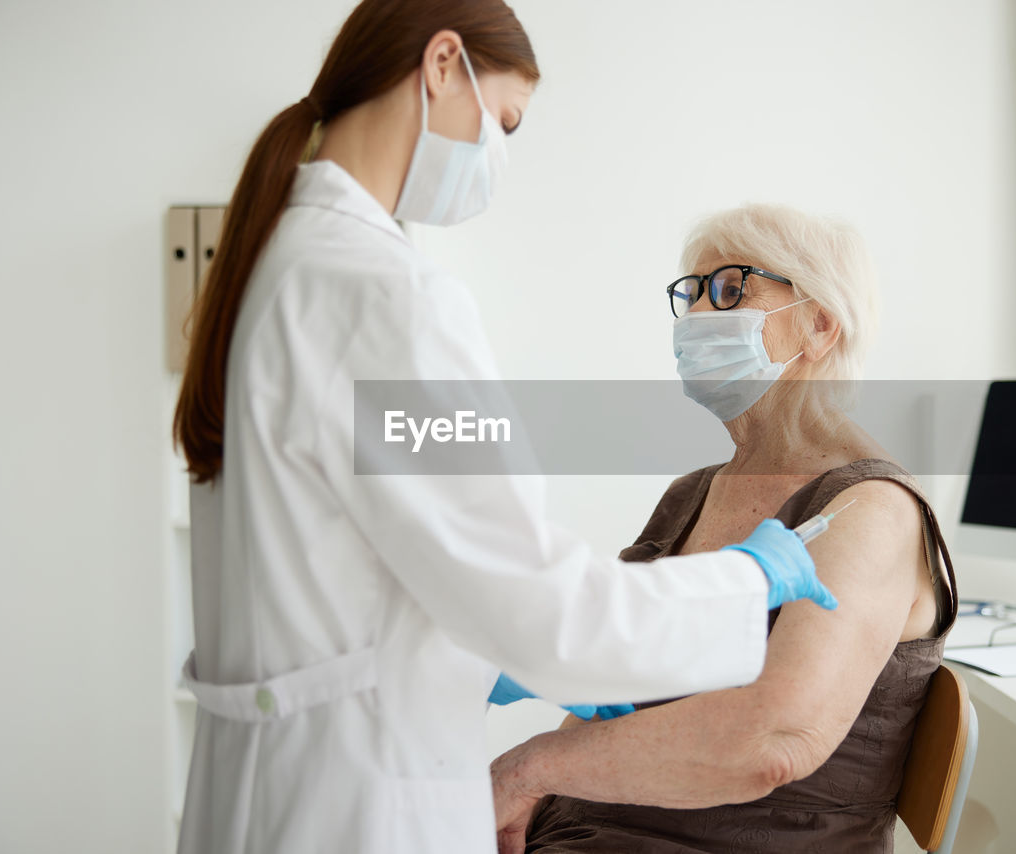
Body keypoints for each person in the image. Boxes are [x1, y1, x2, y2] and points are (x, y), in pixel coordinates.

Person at [171, 3, 836, 853]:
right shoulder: (388, 301)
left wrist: (481, 663)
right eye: (506, 121)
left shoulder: (278, 268)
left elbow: (344, 564)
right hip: (359, 807)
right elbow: (544, 606)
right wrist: (744, 582)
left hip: (272, 793)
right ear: (442, 65)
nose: (499, 154)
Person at [490, 203, 959, 854]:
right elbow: (611, 687)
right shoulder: (692, 494)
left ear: (820, 324)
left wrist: (525, 769)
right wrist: (530, 788)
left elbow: (771, 743)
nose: (697, 318)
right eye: (693, 294)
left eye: (731, 290)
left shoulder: (872, 510)